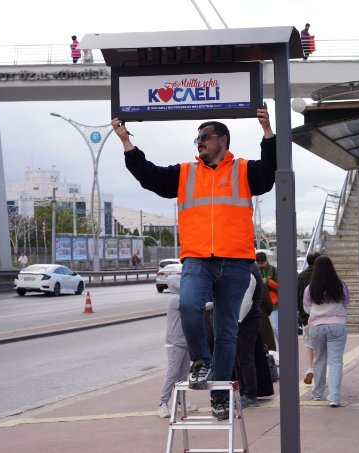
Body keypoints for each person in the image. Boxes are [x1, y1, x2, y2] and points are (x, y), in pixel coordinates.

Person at [114, 102, 276, 422]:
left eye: (205, 135)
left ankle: (219, 397)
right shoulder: (185, 173)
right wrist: (125, 142)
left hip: (235, 262)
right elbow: (150, 177)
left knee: (227, 332)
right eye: (197, 137)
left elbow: (270, 174)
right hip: (198, 259)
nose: (199, 141)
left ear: (223, 140)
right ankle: (201, 360)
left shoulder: (244, 170)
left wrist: (267, 132)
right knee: (188, 305)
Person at [302, 256, 349, 407]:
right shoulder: (340, 285)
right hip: (336, 325)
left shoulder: (310, 288)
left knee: (319, 359)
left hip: (316, 327)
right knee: (335, 362)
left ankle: (317, 394)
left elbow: (306, 308)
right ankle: (334, 397)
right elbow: (346, 302)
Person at [157, 275, 199, 418]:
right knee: (172, 373)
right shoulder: (176, 299)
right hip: (174, 343)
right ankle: (162, 404)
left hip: (184, 342)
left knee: (182, 374)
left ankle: (181, 402)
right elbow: (197, 307)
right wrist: (215, 304)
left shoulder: (182, 297)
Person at [234, 263, 263, 408]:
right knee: (240, 357)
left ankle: (250, 394)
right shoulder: (251, 267)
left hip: (246, 319)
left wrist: (237, 320)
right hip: (247, 318)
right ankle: (244, 392)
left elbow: (246, 301)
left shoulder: (249, 270)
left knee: (244, 357)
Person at [297, 251, 320, 384]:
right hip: (323, 317)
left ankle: (310, 369)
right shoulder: (324, 276)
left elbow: (297, 296)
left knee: (308, 344)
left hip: (306, 317)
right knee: (322, 347)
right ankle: (319, 370)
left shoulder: (301, 277)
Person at [257, 251, 279, 347]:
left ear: (266, 261)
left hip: (273, 304)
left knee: (275, 328)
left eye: (262, 263)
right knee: (263, 331)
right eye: (258, 263)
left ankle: (283, 349)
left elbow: (280, 287)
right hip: (259, 305)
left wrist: (268, 282)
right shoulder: (254, 270)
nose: (260, 265)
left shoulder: (274, 270)